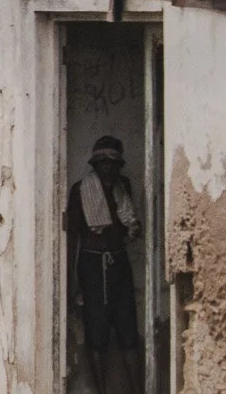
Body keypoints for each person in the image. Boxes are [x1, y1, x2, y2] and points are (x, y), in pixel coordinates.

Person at [66, 135, 144, 394]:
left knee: (128, 329)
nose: (108, 168)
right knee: (96, 331)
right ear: (95, 165)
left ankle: (139, 390)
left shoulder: (124, 187)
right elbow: (74, 237)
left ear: (119, 165)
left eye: (113, 163)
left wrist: (133, 228)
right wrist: (72, 282)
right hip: (90, 266)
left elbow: (129, 228)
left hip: (118, 263)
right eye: (103, 163)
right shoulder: (80, 191)